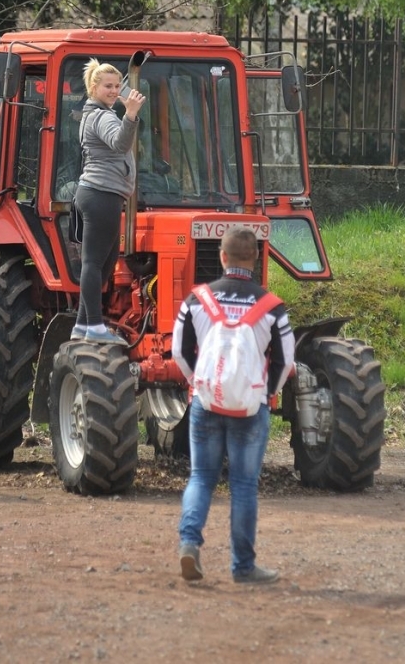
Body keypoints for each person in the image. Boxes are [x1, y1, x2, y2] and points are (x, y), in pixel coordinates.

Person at [173, 226, 295, 584]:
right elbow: (285, 361)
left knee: (201, 477)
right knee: (243, 485)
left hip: (206, 404)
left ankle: (189, 544)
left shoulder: (196, 300)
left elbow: (179, 351)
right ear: (256, 259)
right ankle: (243, 567)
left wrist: (198, 383)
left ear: (222, 257)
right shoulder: (272, 307)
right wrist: (266, 394)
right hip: (250, 408)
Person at [71, 58, 145, 345]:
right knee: (93, 263)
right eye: (108, 86)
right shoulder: (102, 116)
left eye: (117, 86)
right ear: (94, 87)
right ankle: (95, 327)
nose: (114, 91)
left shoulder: (96, 114)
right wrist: (131, 115)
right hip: (100, 194)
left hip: (106, 195)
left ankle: (81, 325)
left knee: (105, 263)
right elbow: (119, 143)